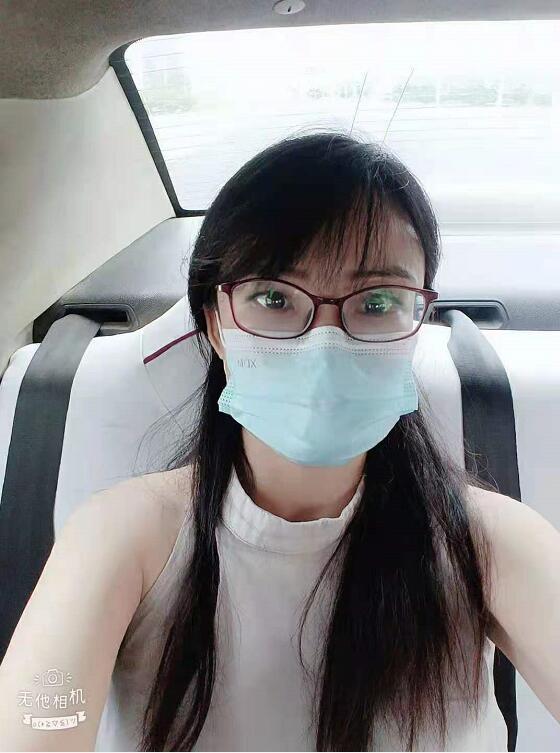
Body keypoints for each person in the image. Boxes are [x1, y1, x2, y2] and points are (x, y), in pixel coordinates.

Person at [1, 132, 559, 752]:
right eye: (274, 298)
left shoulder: (488, 541)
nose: (325, 342)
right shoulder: (121, 535)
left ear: (416, 323)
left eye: (377, 302)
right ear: (217, 324)